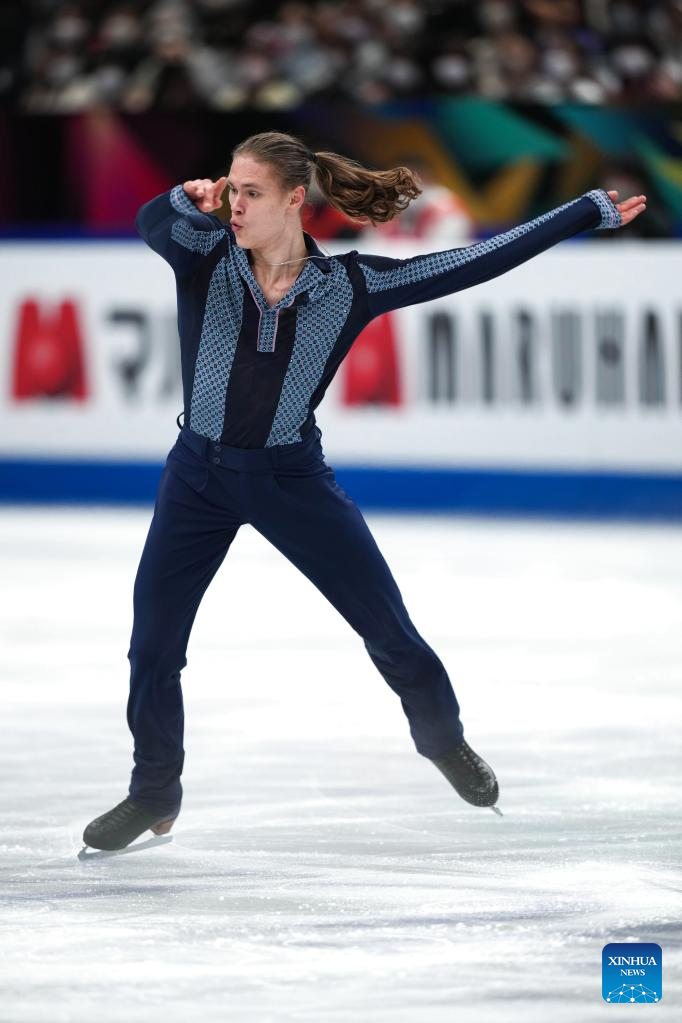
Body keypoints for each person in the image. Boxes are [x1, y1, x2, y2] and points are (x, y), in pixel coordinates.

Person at [82, 131, 646, 852]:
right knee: (153, 647)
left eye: (251, 193)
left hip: (291, 481)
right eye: (231, 188)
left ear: (295, 199)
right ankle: (155, 789)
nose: (235, 205)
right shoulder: (205, 255)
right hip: (196, 476)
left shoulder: (350, 286)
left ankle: (442, 739)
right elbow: (151, 223)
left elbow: (471, 261)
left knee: (390, 634)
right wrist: (181, 198)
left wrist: (585, 210)